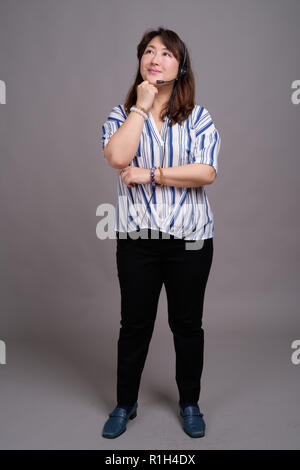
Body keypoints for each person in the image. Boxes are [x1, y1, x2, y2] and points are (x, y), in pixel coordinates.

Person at [101, 27, 221, 439]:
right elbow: (117, 156)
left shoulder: (199, 117)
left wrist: (152, 174)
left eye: (166, 53)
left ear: (180, 65)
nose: (155, 59)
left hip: (190, 239)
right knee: (134, 325)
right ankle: (125, 403)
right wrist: (140, 107)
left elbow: (205, 172)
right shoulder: (121, 116)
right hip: (138, 239)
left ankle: (190, 402)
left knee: (187, 325)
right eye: (148, 52)